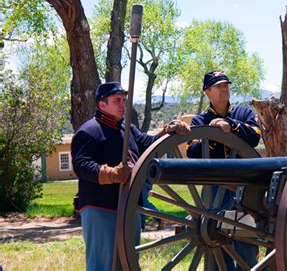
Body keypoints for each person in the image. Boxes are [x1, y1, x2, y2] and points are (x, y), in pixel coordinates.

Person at [72, 82, 190, 271]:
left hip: (129, 206)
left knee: (127, 262)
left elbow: (148, 144)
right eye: (117, 101)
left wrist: (167, 131)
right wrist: (111, 174)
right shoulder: (89, 131)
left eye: (124, 100)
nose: (123, 105)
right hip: (101, 207)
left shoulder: (127, 129)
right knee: (103, 264)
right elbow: (82, 165)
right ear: (102, 105)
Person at [187, 70, 263, 270]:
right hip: (213, 190)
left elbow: (255, 135)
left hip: (243, 187)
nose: (224, 90)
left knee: (245, 240)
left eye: (226, 86)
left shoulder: (243, 114)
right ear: (207, 92)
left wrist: (230, 125)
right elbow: (193, 152)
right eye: (219, 86)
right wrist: (212, 134)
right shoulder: (199, 122)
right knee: (214, 240)